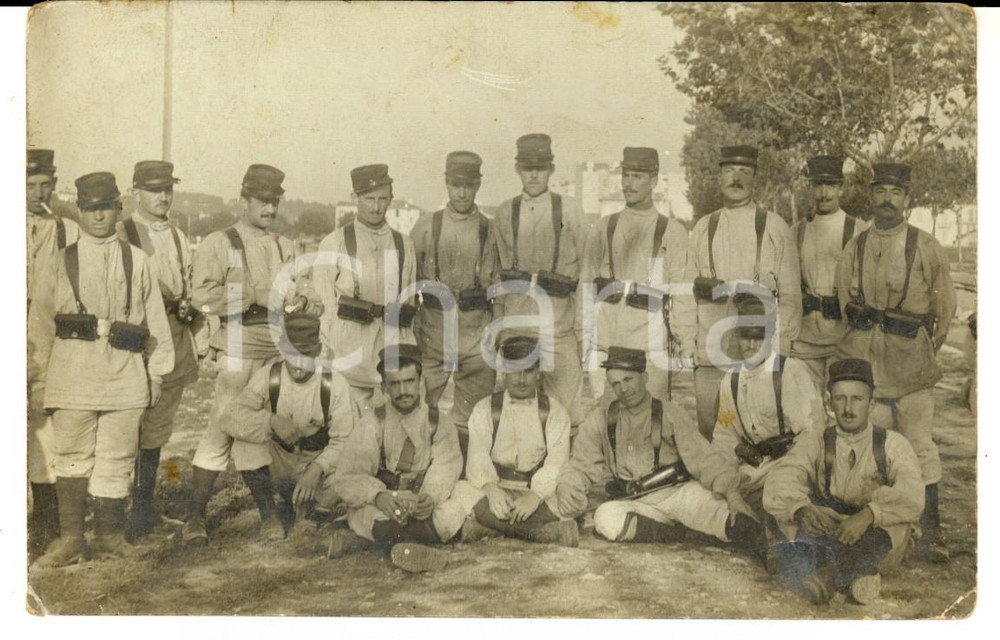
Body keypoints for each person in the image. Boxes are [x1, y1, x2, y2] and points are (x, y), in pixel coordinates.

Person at [28, 172, 174, 567]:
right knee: (71, 455)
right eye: (90, 209)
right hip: (72, 374)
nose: (98, 217)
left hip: (125, 373)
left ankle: (110, 535)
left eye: (106, 208)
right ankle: (71, 540)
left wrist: (156, 374)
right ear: (79, 210)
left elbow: (156, 322)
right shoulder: (61, 260)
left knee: (117, 456)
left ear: (118, 208)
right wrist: (38, 380)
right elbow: (40, 325)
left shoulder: (138, 260)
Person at [184, 164, 318, 544]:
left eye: (275, 201)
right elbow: (201, 297)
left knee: (259, 428)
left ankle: (269, 513)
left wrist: (305, 299)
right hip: (239, 342)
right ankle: (195, 516)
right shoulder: (219, 242)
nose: (270, 209)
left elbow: (309, 290)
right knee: (223, 424)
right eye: (262, 201)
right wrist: (252, 295)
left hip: (277, 344)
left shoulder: (285, 245)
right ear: (243, 200)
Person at [835, 162, 957, 562]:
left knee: (920, 447)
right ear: (870, 196)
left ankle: (932, 534)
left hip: (911, 369)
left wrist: (921, 349)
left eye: (895, 192)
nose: (887, 200)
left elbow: (945, 309)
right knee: (877, 449)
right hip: (871, 368)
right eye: (880, 191)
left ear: (907, 198)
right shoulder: (856, 247)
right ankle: (885, 529)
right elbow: (845, 303)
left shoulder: (926, 246)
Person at [764, 359, 924, 605]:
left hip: (874, 532)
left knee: (898, 526)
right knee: (790, 519)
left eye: (857, 399)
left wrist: (869, 515)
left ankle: (829, 576)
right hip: (833, 526)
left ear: (871, 404)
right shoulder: (816, 440)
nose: (848, 408)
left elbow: (913, 493)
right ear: (829, 403)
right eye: (840, 399)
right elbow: (783, 477)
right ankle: (858, 575)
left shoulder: (892, 444)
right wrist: (800, 509)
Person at [556, 347, 750, 547]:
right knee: (605, 518)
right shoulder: (601, 419)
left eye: (628, 379)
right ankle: (679, 534)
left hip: (677, 494)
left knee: (726, 515)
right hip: (635, 502)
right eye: (616, 383)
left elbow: (704, 459)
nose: (623, 389)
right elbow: (580, 465)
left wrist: (732, 493)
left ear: (645, 377)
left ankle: (756, 541)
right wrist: (568, 486)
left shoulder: (670, 413)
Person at [677, 145, 802, 438]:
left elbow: (790, 295)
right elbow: (685, 292)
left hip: (758, 350)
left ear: (755, 178)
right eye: (730, 170)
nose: (736, 178)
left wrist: (781, 345)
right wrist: (686, 341)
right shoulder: (704, 227)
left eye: (744, 171)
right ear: (719, 176)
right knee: (711, 428)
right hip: (711, 351)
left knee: (760, 428)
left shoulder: (774, 227)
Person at [696, 294, 826, 566]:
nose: (752, 344)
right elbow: (724, 436)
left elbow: (812, 432)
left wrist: (791, 469)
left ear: (770, 336)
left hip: (791, 462)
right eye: (746, 336)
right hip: (756, 468)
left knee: (778, 495)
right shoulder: (731, 381)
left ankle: (794, 551)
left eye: (759, 336)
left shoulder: (789, 372)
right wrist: (729, 480)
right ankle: (761, 535)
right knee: (716, 497)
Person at [118, 160, 204, 539]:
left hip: (174, 340)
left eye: (168, 189)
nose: (163, 197)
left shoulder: (179, 236)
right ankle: (115, 515)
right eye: (154, 190)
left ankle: (144, 508)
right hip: (137, 344)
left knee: (157, 428)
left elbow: (190, 288)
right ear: (136, 191)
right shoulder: (124, 232)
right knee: (127, 427)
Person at [330, 344, 465, 573]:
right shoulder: (373, 423)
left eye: (409, 381)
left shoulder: (438, 423)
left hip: (421, 504)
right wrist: (378, 496)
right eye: (395, 384)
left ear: (421, 381)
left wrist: (430, 497)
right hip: (386, 505)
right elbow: (348, 475)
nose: (403, 391)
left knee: (453, 511)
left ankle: (383, 544)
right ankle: (413, 544)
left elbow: (447, 465)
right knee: (366, 515)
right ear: (384, 387)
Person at [221, 315, 356, 532]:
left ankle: (314, 510)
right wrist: (271, 421)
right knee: (245, 443)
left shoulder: (334, 383)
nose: (298, 365)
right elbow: (230, 417)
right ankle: (269, 514)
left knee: (352, 469)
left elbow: (346, 440)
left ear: (317, 352)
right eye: (292, 355)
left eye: (306, 355)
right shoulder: (269, 376)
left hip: (316, 464)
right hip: (280, 462)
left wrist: (318, 468)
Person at [488, 134, 587, 426]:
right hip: (517, 328)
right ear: (517, 169)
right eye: (527, 168)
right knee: (519, 413)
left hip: (559, 330)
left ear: (551, 169)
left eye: (540, 168)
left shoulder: (570, 210)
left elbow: (586, 275)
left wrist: (582, 332)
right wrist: (498, 328)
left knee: (567, 414)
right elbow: (497, 277)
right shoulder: (505, 212)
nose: (533, 175)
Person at [581, 147, 692, 403]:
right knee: (607, 417)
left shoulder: (672, 231)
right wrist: (583, 336)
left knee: (651, 418)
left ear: (653, 181)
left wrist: (685, 341)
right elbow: (585, 287)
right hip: (605, 344)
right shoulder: (604, 227)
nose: (628, 183)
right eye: (626, 175)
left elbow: (682, 295)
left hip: (651, 348)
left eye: (637, 176)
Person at [410, 151, 497, 460]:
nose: (462, 193)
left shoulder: (490, 230)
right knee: (418, 408)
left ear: (478, 185)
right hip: (433, 335)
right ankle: (418, 467)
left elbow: (499, 287)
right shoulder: (425, 227)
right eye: (456, 185)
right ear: (446, 183)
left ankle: (462, 470)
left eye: (468, 186)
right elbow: (408, 285)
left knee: (472, 418)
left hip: (475, 336)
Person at [452, 336, 578, 547]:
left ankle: (489, 527)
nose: (521, 379)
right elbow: (477, 457)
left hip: (537, 491)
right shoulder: (485, 409)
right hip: (497, 489)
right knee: (460, 489)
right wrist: (491, 490)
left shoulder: (554, 411)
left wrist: (535, 496)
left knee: (571, 498)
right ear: (503, 372)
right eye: (514, 371)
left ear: (538, 373)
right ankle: (540, 533)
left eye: (528, 371)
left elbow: (557, 462)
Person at [315, 164, 417, 410]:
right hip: (349, 356)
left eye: (383, 199)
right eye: (369, 199)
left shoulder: (404, 244)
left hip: (392, 355)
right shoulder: (335, 242)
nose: (376, 207)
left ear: (391, 199)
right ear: (355, 198)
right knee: (348, 425)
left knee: (394, 424)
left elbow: (409, 301)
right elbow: (324, 305)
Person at [26, 149, 80, 560]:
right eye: (30, 186)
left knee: (43, 426)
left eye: (46, 185)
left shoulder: (68, 230)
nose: (38, 193)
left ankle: (46, 521)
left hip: (47, 335)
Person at [790, 156, 864, 393]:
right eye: (817, 185)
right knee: (806, 409)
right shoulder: (797, 232)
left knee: (841, 407)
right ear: (810, 187)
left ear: (841, 188)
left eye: (830, 185)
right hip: (804, 342)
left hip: (844, 341)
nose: (823, 194)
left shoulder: (859, 231)